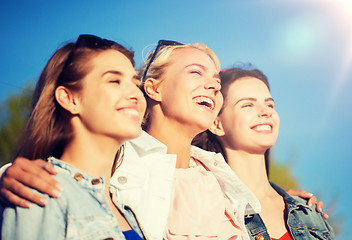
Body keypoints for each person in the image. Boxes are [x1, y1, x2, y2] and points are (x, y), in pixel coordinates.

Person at [0, 40, 325, 240]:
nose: (213, 86)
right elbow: (79, 176)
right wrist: (6, 175)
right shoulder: (125, 156)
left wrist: (285, 200)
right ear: (153, 88)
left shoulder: (218, 177)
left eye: (215, 80)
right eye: (197, 73)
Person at [0, 34, 147, 240]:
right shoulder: (41, 191)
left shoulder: (127, 210)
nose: (135, 94)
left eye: (135, 83)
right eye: (114, 80)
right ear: (70, 99)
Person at [193, 67, 335, 239]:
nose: (266, 111)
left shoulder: (309, 212)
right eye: (248, 105)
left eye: (270, 104)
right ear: (217, 124)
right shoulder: (205, 206)